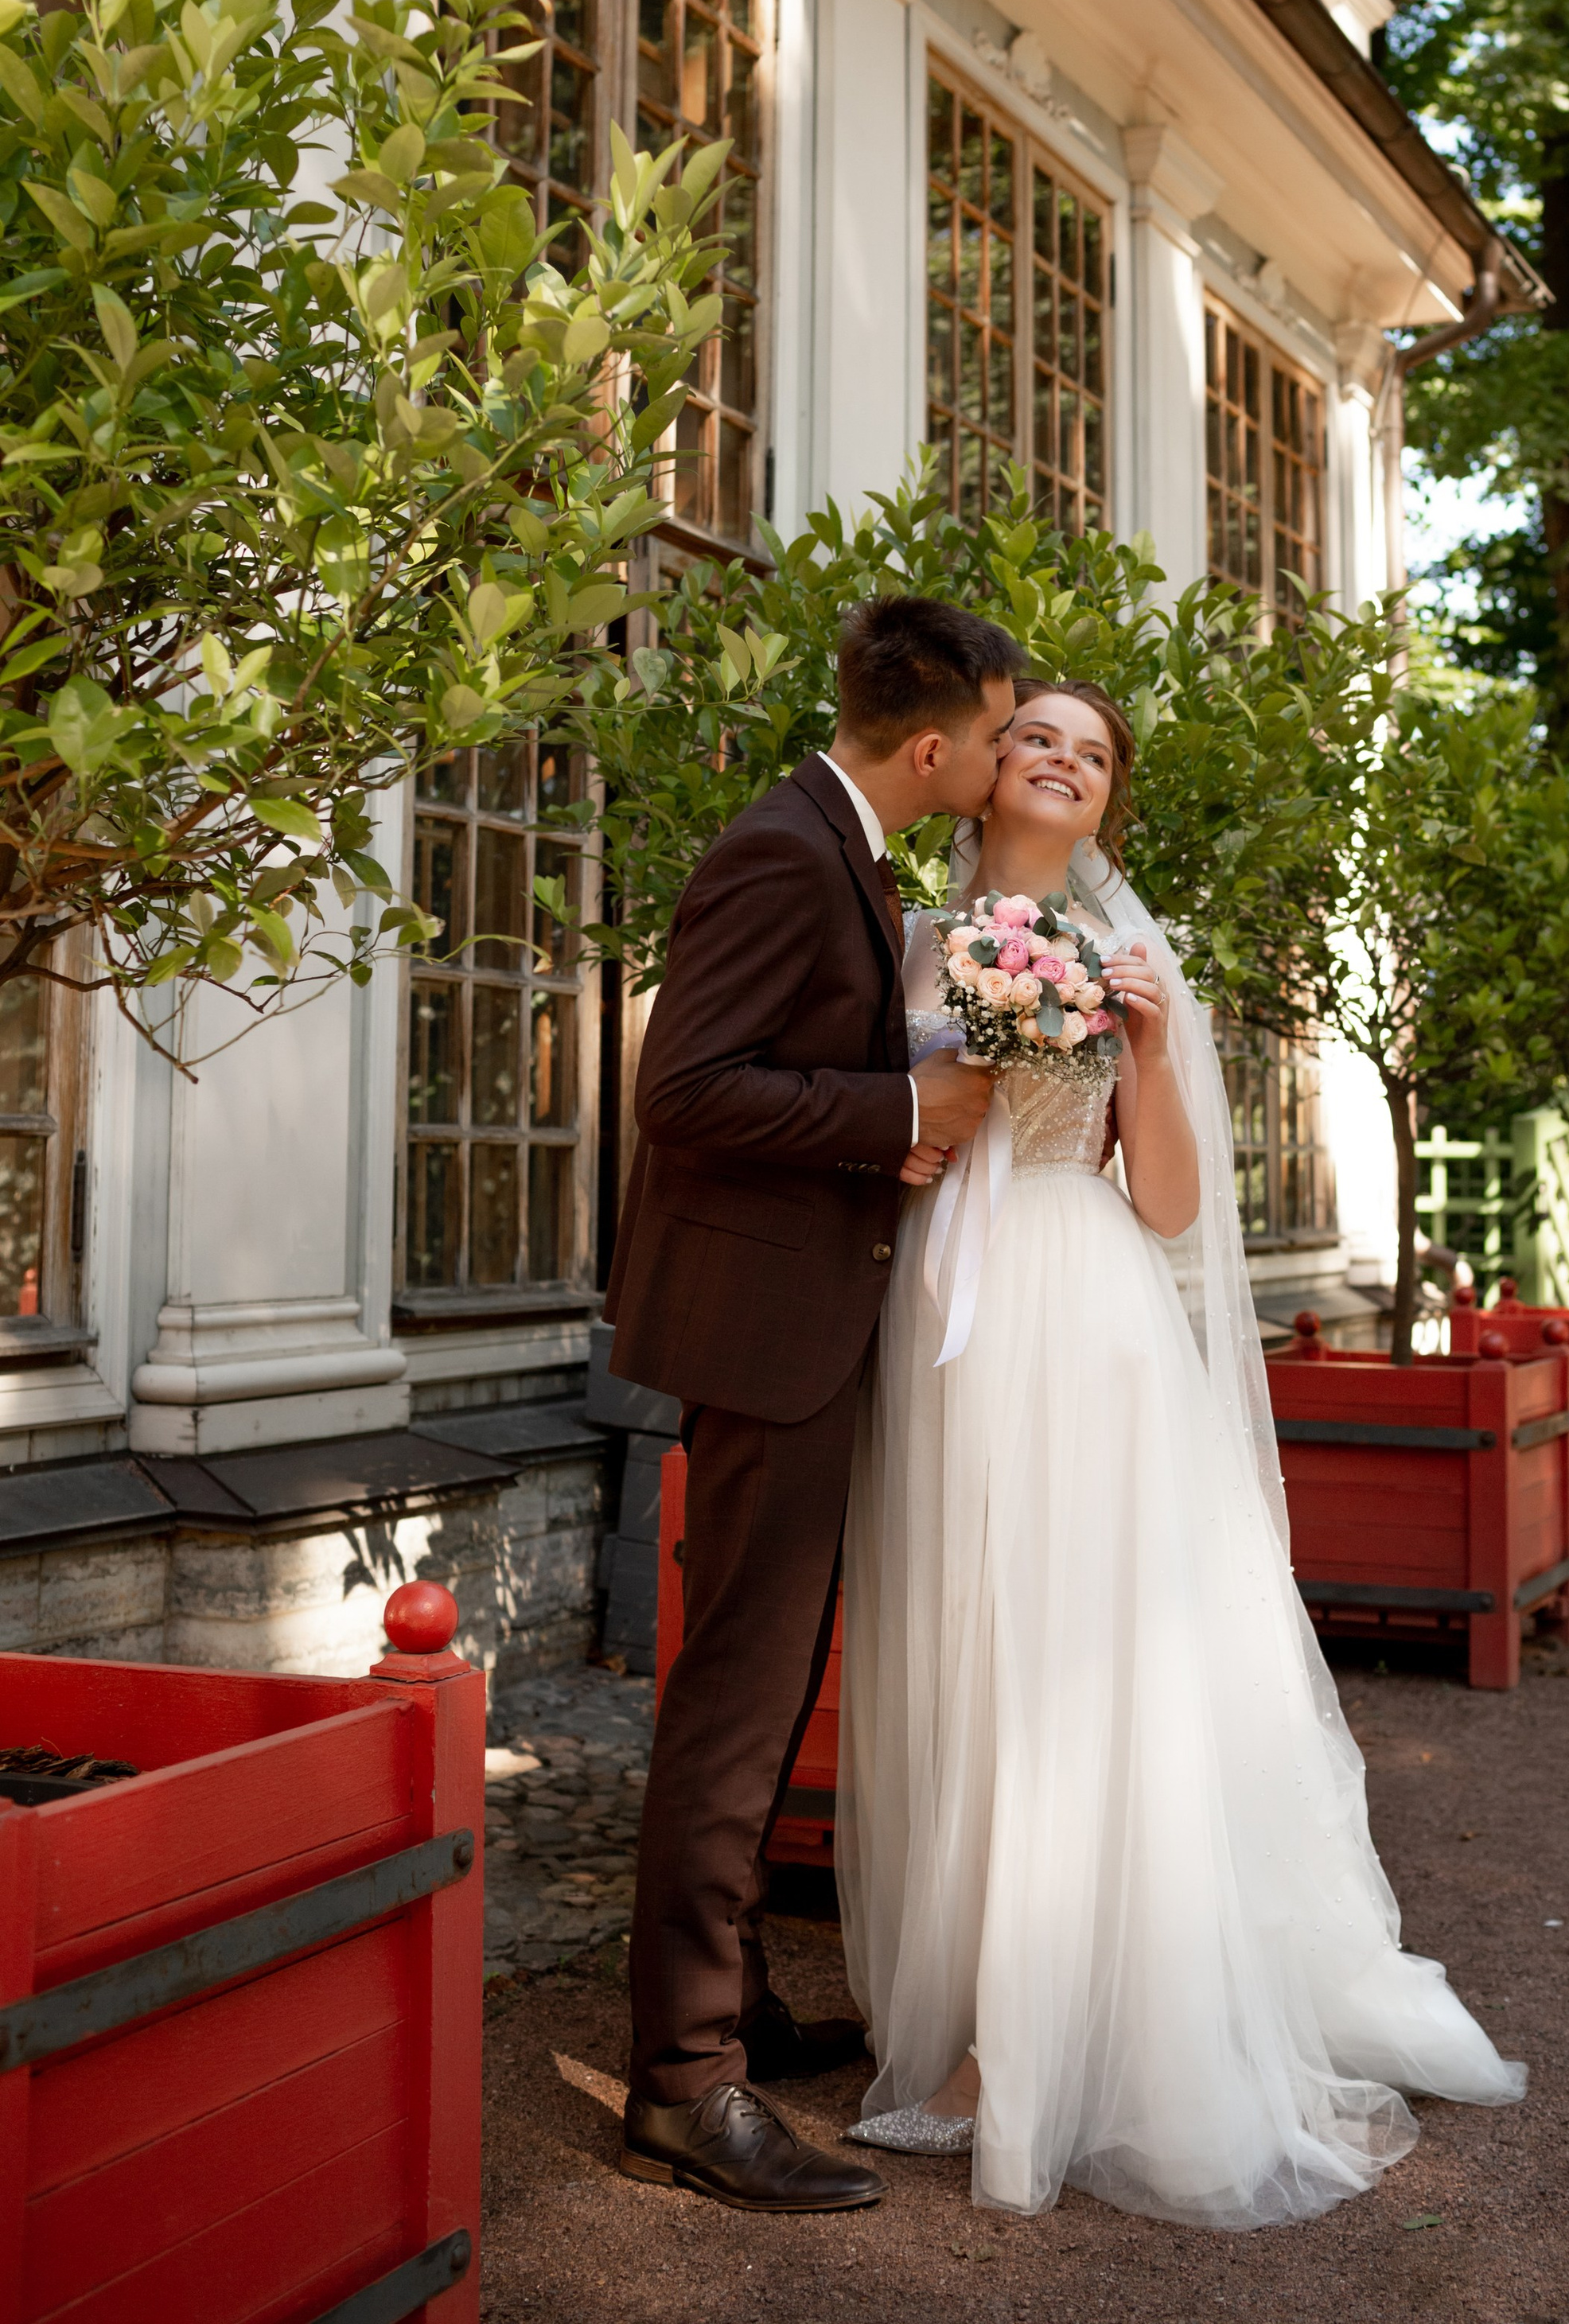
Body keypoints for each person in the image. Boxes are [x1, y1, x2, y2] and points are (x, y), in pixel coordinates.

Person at [835, 679, 1528, 2225]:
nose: (1060, 761)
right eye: (1038, 738)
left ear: (1106, 801)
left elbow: (1161, 1204)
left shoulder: (1132, 959)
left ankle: (1026, 2050)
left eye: (1089, 753)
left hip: (1076, 1320)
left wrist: (1142, 1049)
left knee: (1069, 1661)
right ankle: (981, 2012)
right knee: (965, 1651)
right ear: (985, 764)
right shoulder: (898, 935)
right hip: (944, 1315)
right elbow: (881, 1130)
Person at [608, 595, 1024, 2213]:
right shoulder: (783, 850)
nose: (999, 757)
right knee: (736, 1694)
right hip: (767, 1332)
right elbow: (684, 1088)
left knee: (769, 1687)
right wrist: (900, 1106)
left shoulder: (840, 850)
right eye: (994, 732)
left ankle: (728, 2003)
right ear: (933, 744)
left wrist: (883, 1125)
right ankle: (679, 2083)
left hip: (811, 1323)